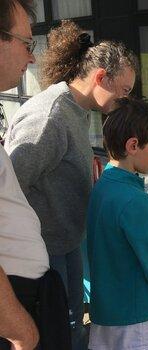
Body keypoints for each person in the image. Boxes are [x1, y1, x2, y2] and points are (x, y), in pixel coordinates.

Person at [4, 19, 139, 350]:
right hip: (44, 252)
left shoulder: (79, 109)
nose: (125, 101)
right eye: (124, 91)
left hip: (65, 241)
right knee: (60, 331)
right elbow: (12, 190)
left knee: (74, 323)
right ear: (100, 78)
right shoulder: (49, 116)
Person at [0, 1, 70, 349]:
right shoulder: (49, 115)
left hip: (27, 293)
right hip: (15, 306)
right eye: (26, 44)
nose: (32, 58)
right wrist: (20, 333)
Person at [86, 98, 148, 350]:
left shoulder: (101, 187)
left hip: (105, 310)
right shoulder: (137, 202)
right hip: (134, 318)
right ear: (133, 145)